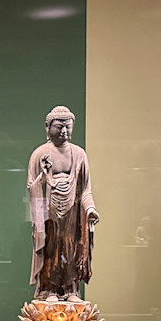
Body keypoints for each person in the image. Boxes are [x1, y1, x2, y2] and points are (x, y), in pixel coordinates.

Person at [27, 105, 99, 301]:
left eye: (68, 126)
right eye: (59, 127)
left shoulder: (79, 154)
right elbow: (31, 187)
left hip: (72, 212)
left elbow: (85, 190)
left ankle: (70, 289)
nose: (64, 131)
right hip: (48, 212)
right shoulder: (40, 154)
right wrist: (43, 176)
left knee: (71, 247)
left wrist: (90, 210)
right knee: (51, 248)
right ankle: (49, 289)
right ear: (47, 127)